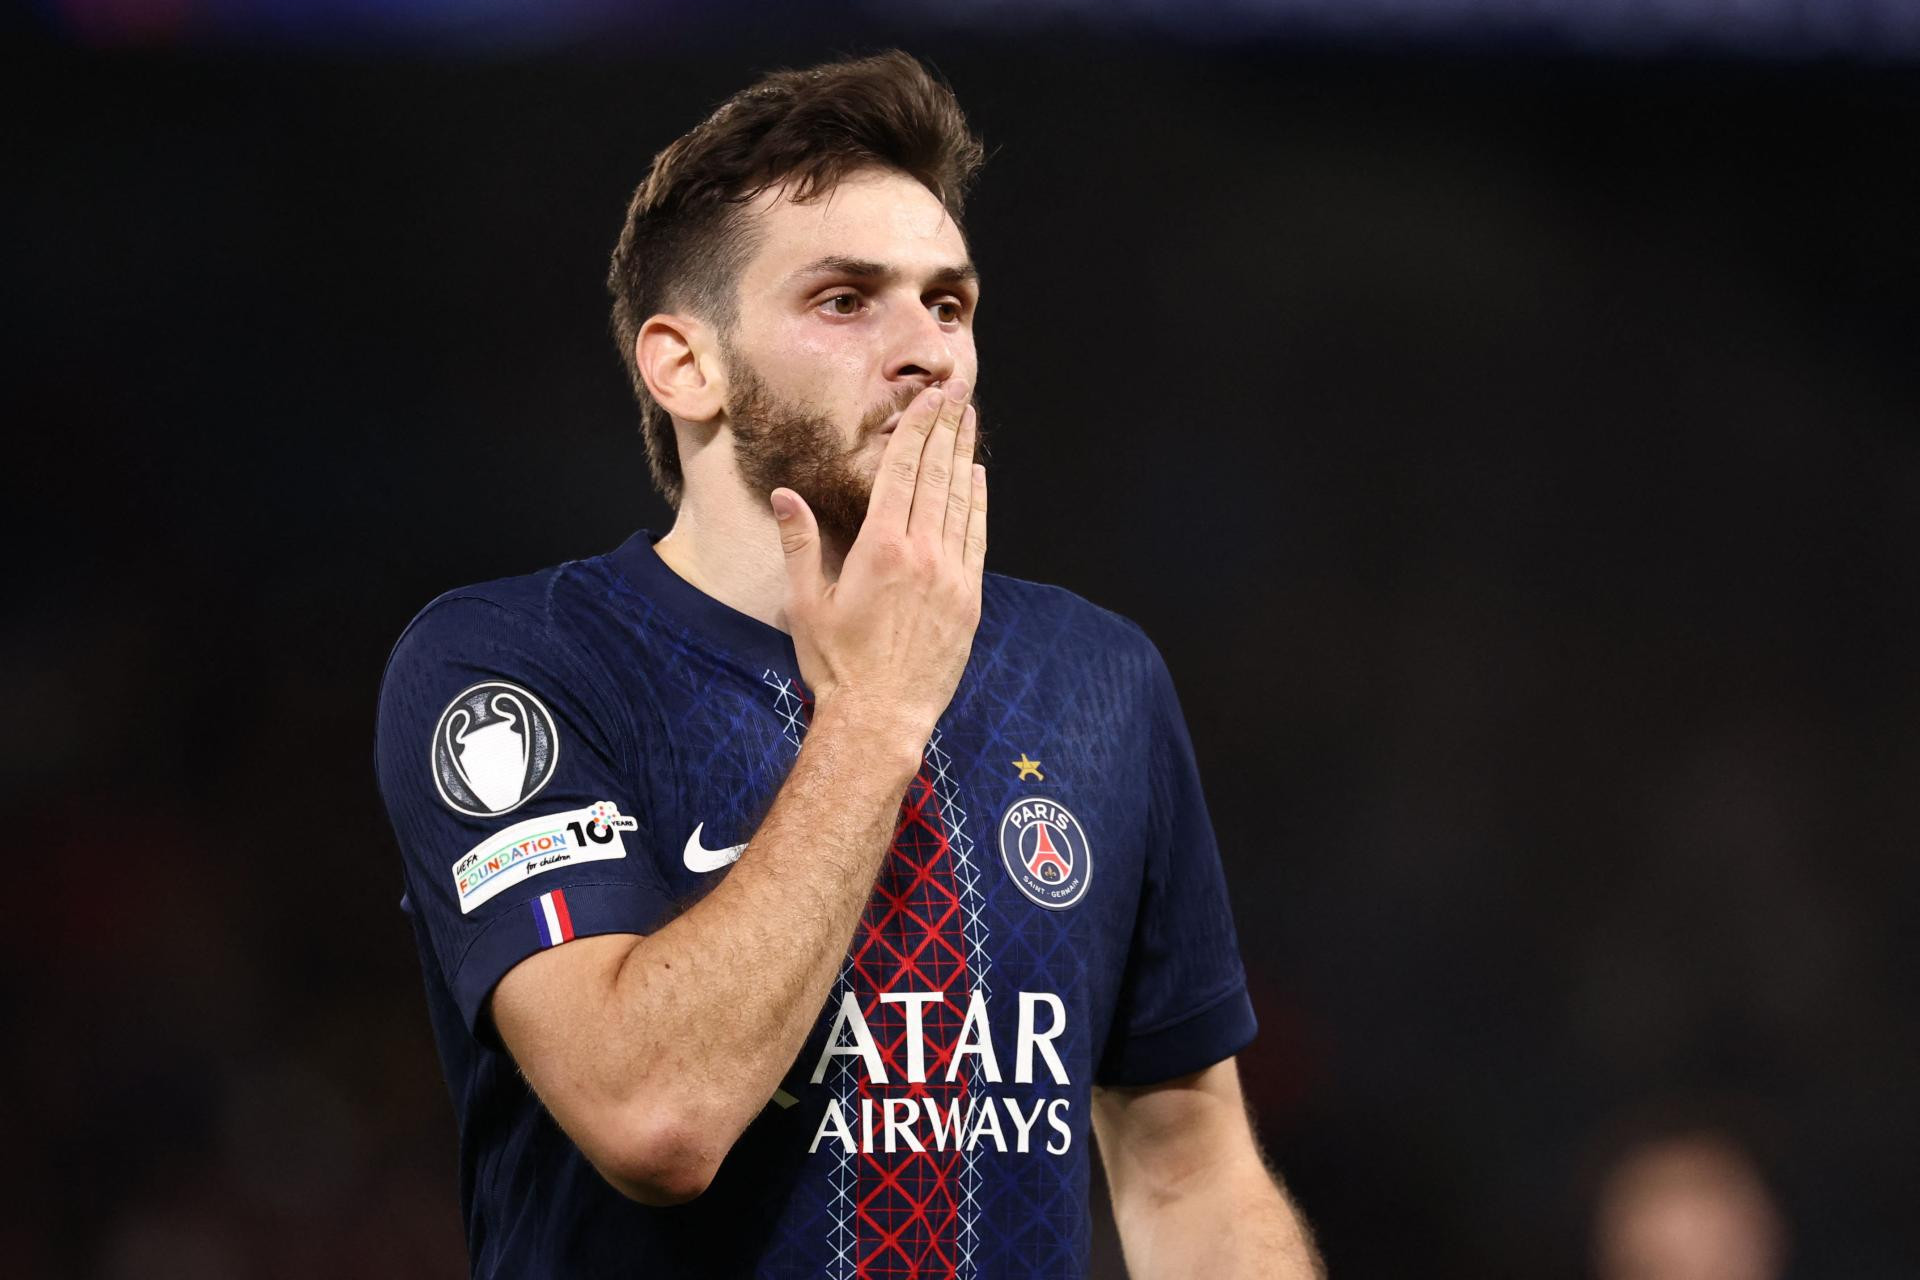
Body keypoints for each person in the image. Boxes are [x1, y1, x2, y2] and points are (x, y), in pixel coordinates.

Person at [375, 49, 1321, 1279]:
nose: (927, 351)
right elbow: (655, 1114)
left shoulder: (1097, 678)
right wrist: (877, 709)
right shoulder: (514, 668)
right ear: (686, 365)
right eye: (844, 300)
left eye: (949, 304)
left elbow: (1189, 1167)